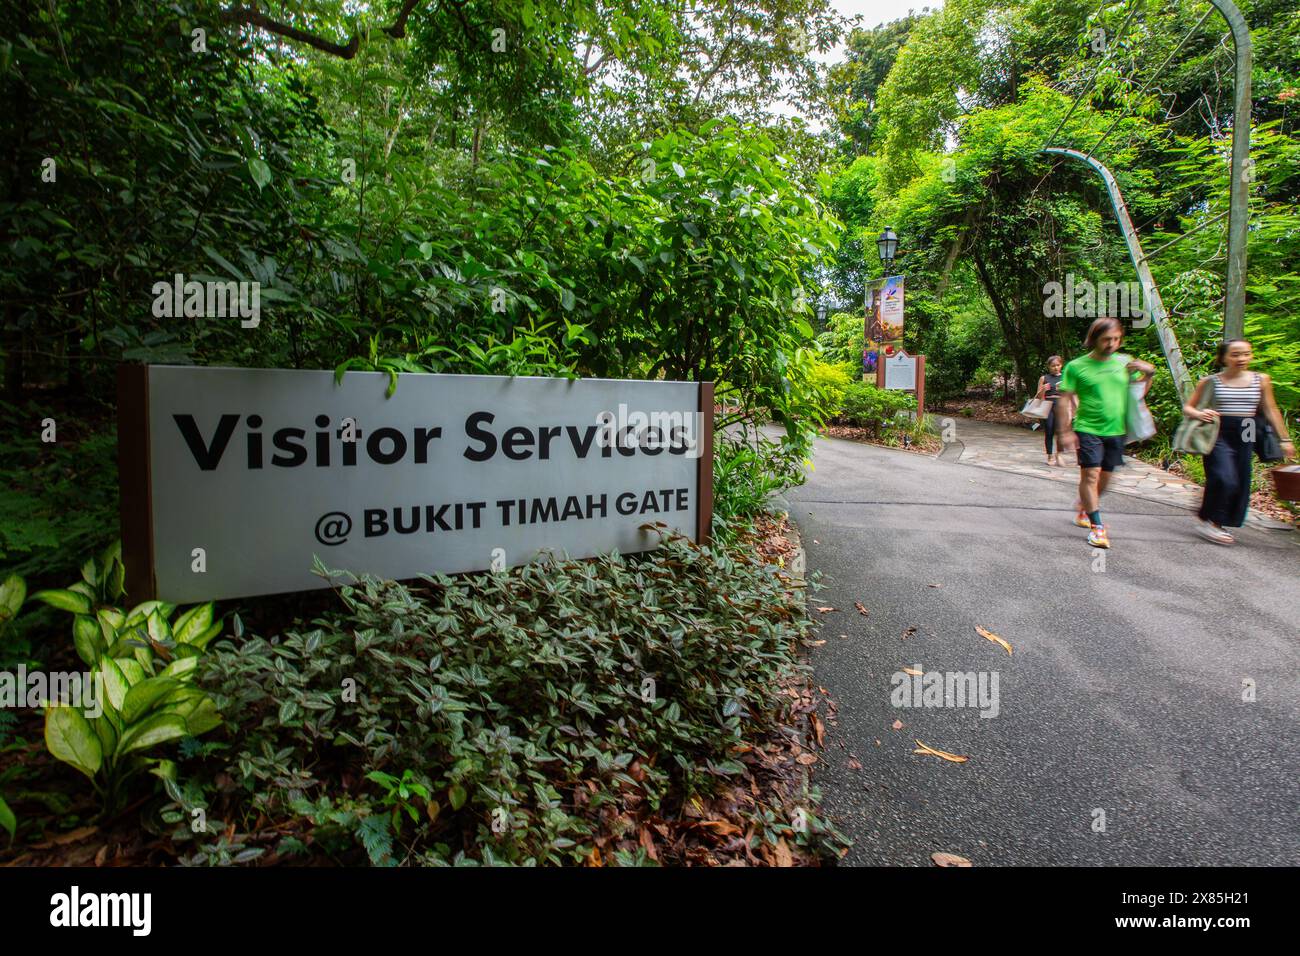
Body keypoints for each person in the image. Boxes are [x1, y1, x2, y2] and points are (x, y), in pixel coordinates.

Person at [1055, 318, 1155, 549]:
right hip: (1088, 428)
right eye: (1106, 339)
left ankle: (1084, 506)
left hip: (1116, 430)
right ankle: (1097, 527)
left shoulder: (1125, 363)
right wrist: (1065, 431)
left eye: (1116, 339)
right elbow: (1064, 401)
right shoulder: (1076, 366)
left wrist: (1148, 375)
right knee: (1090, 476)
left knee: (1106, 479)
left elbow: (1137, 394)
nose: (1111, 344)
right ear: (1093, 339)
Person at [1183, 339, 1295, 544]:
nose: (1241, 358)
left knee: (1240, 477)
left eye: (1246, 353)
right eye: (1235, 354)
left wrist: (1285, 439)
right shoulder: (1210, 381)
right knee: (1224, 476)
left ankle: (1215, 519)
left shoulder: (1261, 380)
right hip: (1218, 429)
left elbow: (1271, 409)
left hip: (1247, 429)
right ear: (1223, 357)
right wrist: (1200, 413)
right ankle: (1212, 522)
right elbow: (1188, 408)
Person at [1035, 356, 1065, 466]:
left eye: (1058, 365)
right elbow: (1038, 396)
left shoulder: (1065, 377)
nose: (1056, 368)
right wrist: (1043, 390)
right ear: (1049, 367)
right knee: (1049, 430)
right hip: (1048, 405)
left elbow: (1071, 393)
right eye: (1053, 366)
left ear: (1061, 365)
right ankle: (1050, 455)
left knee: (1061, 432)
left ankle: (1059, 454)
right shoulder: (1044, 378)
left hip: (1061, 405)